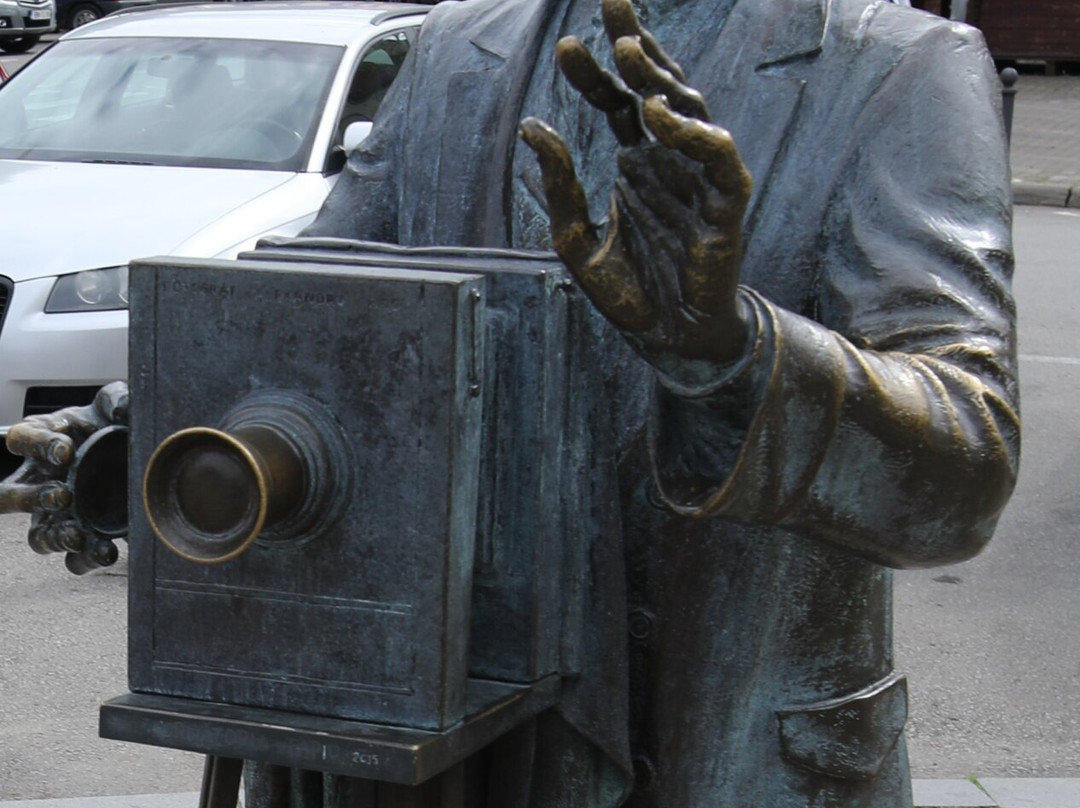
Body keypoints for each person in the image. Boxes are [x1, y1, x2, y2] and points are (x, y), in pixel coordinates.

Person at [2, 0, 1017, 805]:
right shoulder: (454, 53)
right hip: (447, 747)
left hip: (714, 740)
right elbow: (311, 330)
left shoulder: (897, 72)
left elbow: (964, 465)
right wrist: (153, 438)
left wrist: (731, 352)